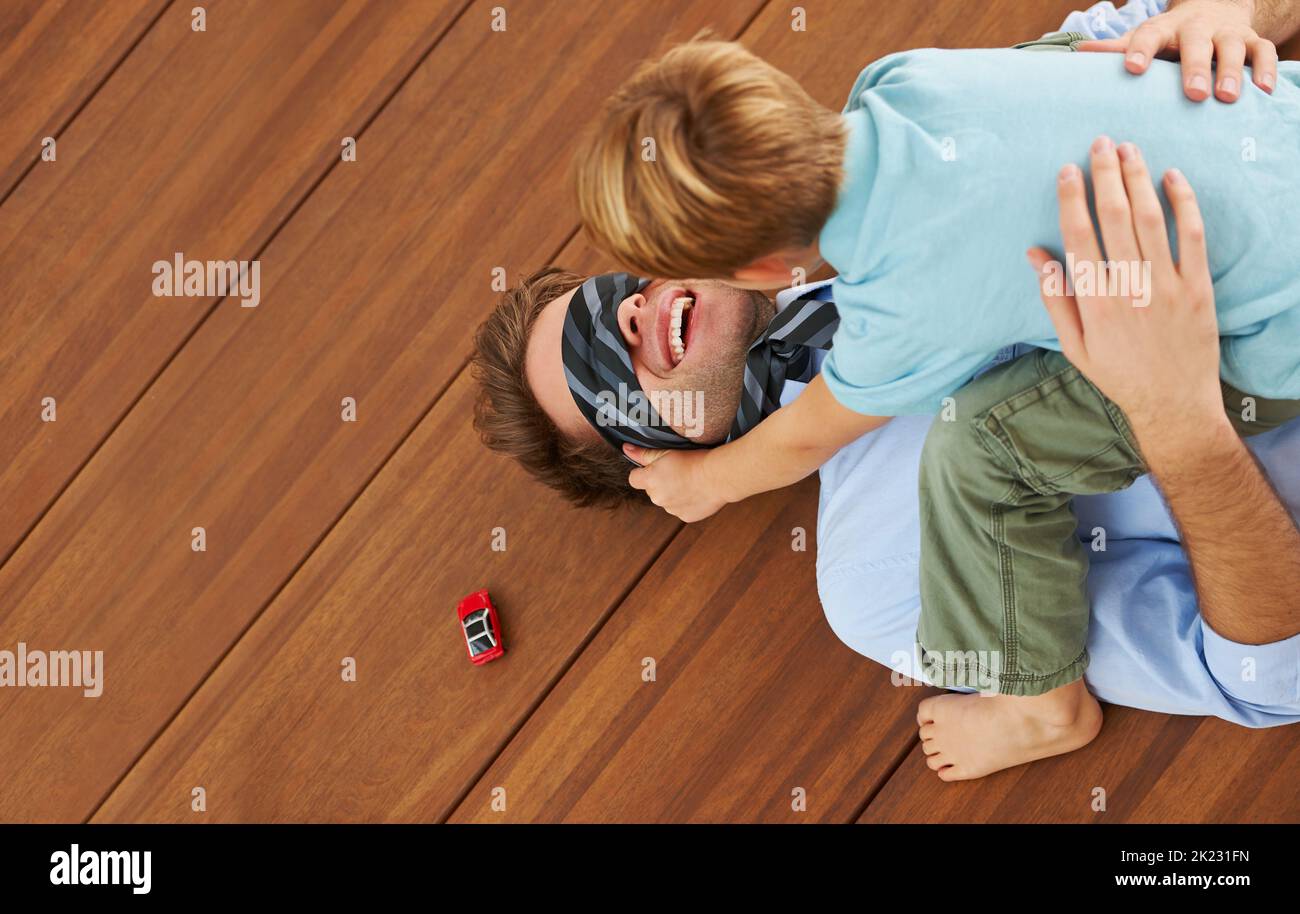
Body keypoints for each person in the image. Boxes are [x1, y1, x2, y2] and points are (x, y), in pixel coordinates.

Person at [472, 0, 1300, 777]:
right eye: (604, 377)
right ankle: (1039, 705)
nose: (630, 318)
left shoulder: (906, 215)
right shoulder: (873, 576)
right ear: (646, 457)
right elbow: (1271, 680)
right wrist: (1182, 426)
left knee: (978, 444)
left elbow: (1129, 48)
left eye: (613, 294)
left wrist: (1234, 14)